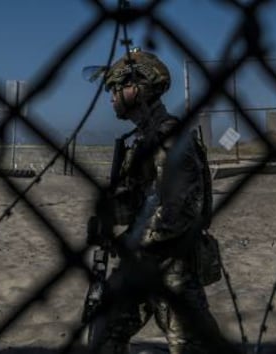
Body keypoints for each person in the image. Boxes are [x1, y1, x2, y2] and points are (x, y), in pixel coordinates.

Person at [89, 48, 237, 354]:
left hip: (172, 267)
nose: (112, 96)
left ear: (138, 88)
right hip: (142, 265)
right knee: (105, 334)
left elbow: (181, 208)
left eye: (117, 87)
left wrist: (136, 241)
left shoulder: (169, 137)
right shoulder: (143, 138)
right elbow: (141, 199)